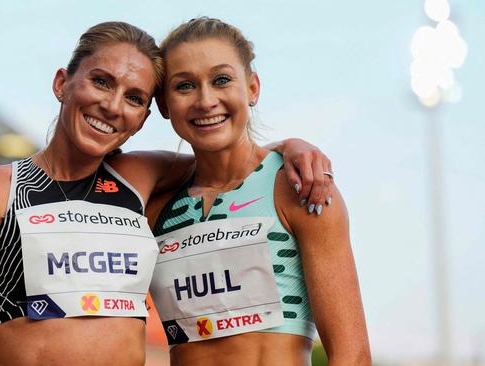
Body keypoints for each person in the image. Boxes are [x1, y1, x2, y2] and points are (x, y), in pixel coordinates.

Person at [0, 21, 333, 365]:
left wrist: (292, 146)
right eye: (101, 81)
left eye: (134, 98)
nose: (112, 106)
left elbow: (230, 158)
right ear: (62, 83)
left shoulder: (139, 177)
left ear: (144, 118)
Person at [146, 17, 370, 366]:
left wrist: (288, 146)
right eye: (185, 86)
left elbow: (351, 356)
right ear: (163, 104)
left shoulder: (299, 188)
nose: (206, 100)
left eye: (221, 80)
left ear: (252, 88)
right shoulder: (156, 205)